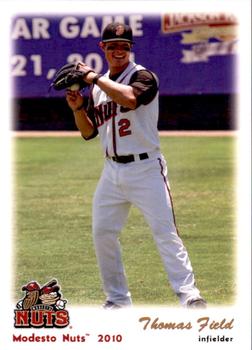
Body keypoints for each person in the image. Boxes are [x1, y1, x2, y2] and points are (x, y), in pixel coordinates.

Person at [66, 22, 206, 309]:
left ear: (131, 49)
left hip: (146, 170)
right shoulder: (98, 88)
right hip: (111, 172)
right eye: (113, 45)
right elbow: (88, 132)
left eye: (124, 46)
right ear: (102, 48)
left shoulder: (143, 76)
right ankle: (117, 300)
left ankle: (190, 297)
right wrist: (78, 108)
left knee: (165, 233)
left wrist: (92, 77)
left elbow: (129, 97)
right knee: (103, 233)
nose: (119, 50)